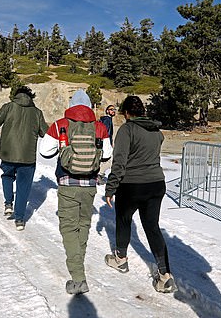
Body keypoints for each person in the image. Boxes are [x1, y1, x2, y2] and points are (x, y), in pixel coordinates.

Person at [39, 89, 113, 295]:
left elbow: (44, 151)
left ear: (71, 105)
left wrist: (62, 150)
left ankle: (78, 278)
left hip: (67, 183)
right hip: (89, 185)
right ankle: (78, 263)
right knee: (83, 226)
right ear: (90, 106)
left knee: (69, 229)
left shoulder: (60, 124)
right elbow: (107, 155)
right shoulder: (99, 127)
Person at [103, 95, 177, 293]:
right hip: (156, 184)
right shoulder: (156, 131)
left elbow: (119, 162)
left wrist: (110, 188)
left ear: (126, 113)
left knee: (124, 219)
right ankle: (165, 275)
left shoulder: (127, 130)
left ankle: (120, 260)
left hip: (132, 184)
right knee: (152, 227)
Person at [0, 86, 48, 231]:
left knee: (7, 176)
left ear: (15, 95)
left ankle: (8, 204)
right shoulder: (37, 113)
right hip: (27, 156)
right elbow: (46, 133)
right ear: (31, 96)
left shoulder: (8, 107)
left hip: (7, 153)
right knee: (23, 186)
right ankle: (19, 219)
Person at [98, 104, 117, 184]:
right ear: (107, 111)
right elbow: (105, 132)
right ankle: (99, 174)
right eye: (111, 109)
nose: (113, 111)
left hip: (106, 142)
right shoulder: (107, 120)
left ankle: (99, 174)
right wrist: (107, 143)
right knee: (110, 160)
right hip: (105, 142)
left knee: (104, 160)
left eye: (114, 109)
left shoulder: (107, 119)